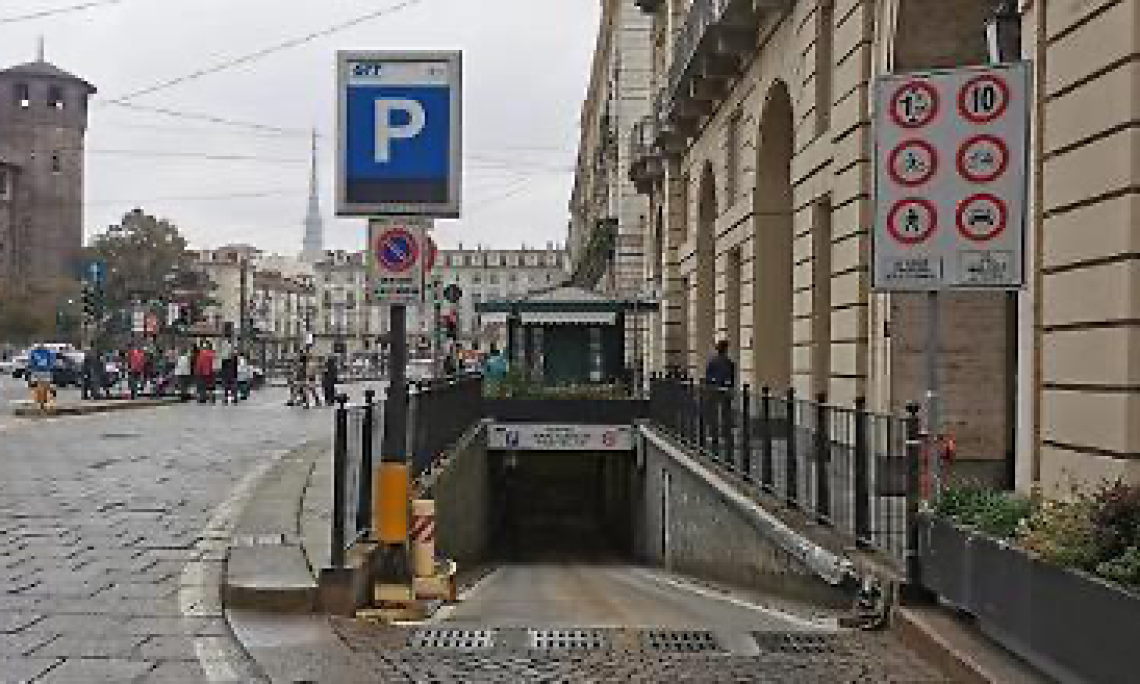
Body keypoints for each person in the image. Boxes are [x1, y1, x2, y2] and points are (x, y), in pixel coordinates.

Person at [703, 339, 736, 452]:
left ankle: (717, 434)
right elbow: (731, 379)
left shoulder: (716, 362)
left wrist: (713, 383)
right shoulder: (728, 363)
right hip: (721, 391)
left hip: (716, 391)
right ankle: (722, 434)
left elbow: (708, 377)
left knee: (717, 413)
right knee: (723, 413)